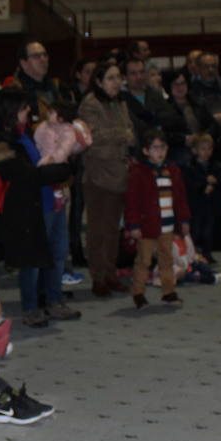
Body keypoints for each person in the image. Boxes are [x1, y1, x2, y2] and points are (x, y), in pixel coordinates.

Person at [0, 88, 78, 326]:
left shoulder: (25, 134)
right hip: (27, 206)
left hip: (49, 199)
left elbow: (39, 166)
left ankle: (53, 301)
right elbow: (27, 175)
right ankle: (31, 307)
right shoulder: (2, 143)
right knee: (32, 260)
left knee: (56, 254)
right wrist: (62, 170)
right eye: (24, 108)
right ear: (12, 111)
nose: (29, 111)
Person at [79, 60, 136, 297]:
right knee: (98, 230)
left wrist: (121, 138)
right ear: (99, 81)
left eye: (118, 77)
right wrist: (121, 136)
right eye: (110, 78)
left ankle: (111, 273)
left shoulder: (120, 102)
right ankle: (98, 277)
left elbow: (131, 134)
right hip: (99, 177)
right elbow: (92, 141)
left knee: (113, 230)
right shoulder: (90, 105)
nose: (116, 82)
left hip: (120, 175)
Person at [124, 130, 190, 309]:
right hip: (146, 226)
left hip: (167, 226)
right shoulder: (139, 172)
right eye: (154, 148)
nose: (159, 152)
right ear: (146, 151)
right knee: (144, 261)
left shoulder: (173, 170)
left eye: (162, 147)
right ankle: (138, 293)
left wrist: (183, 220)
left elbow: (181, 198)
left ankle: (169, 292)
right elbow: (132, 201)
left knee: (166, 260)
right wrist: (134, 224)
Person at [5, 39, 70, 121]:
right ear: (23, 63)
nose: (43, 60)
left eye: (45, 55)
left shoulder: (58, 86)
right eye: (36, 56)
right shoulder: (15, 90)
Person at [183, 133, 221, 263]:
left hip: (210, 204)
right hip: (196, 204)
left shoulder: (215, 165)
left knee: (208, 229)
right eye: (203, 149)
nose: (206, 152)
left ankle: (207, 252)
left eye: (209, 149)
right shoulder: (190, 167)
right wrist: (203, 185)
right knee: (195, 230)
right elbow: (189, 185)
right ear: (195, 150)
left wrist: (215, 182)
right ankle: (192, 253)